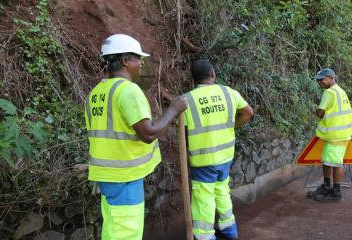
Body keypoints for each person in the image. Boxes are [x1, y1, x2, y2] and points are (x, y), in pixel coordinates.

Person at [84, 34, 186, 239]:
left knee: (114, 229)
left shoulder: (96, 93)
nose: (141, 63)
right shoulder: (128, 91)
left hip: (108, 176)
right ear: (125, 61)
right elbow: (148, 134)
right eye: (138, 58)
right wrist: (173, 110)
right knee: (126, 233)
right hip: (124, 177)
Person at [183, 60, 254, 240]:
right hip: (225, 156)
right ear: (213, 74)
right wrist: (232, 126)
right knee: (222, 190)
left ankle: (205, 236)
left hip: (203, 160)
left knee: (203, 197)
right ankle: (229, 230)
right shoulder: (229, 92)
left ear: (194, 79)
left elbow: (183, 132)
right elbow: (248, 113)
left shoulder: (187, 100)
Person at [313, 68, 352, 202]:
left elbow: (320, 113)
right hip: (341, 133)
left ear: (331, 78)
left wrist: (317, 113)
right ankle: (327, 186)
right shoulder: (340, 91)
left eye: (322, 79)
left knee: (335, 164)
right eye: (318, 80)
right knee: (327, 161)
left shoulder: (329, 92)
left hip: (336, 135)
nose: (319, 82)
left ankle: (336, 192)